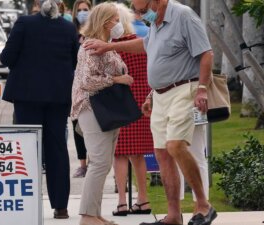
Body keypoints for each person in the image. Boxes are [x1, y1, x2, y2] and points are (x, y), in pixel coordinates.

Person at [84, 0, 217, 225]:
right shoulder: (156, 21)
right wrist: (110, 47)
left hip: (185, 89)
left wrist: (202, 89)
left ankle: (203, 205)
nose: (138, 15)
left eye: (142, 10)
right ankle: (174, 215)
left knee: (176, 145)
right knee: (162, 153)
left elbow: (207, 54)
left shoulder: (183, 16)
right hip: (161, 94)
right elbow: (147, 46)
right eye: (135, 10)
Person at [0, 0, 78, 219]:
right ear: (59, 6)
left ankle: (27, 203)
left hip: (27, 97)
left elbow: (7, 58)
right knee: (58, 150)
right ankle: (60, 207)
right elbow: (74, 61)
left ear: (37, 5)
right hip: (58, 96)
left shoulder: (24, 23)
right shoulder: (68, 27)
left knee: (27, 149)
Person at [71, 3, 133, 225]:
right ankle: (87, 217)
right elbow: (87, 81)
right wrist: (117, 79)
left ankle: (94, 214)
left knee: (103, 164)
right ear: (106, 21)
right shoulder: (90, 46)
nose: (119, 23)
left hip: (104, 109)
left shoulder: (106, 45)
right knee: (98, 163)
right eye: (116, 19)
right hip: (92, 108)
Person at [110, 3, 153, 217]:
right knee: (137, 154)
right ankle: (143, 200)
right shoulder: (142, 43)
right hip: (142, 100)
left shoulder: (112, 46)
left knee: (119, 153)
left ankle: (121, 202)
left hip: (121, 102)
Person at [71, 0, 92, 178]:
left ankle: (93, 160)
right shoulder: (71, 32)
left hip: (93, 85)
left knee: (93, 124)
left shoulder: (96, 31)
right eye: (80, 10)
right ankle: (82, 163)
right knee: (77, 124)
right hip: (76, 84)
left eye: (86, 10)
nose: (83, 13)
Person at [179, 125, 210, 202]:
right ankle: (175, 208)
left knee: (198, 158)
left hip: (195, 117)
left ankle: (202, 204)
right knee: (172, 161)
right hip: (168, 116)